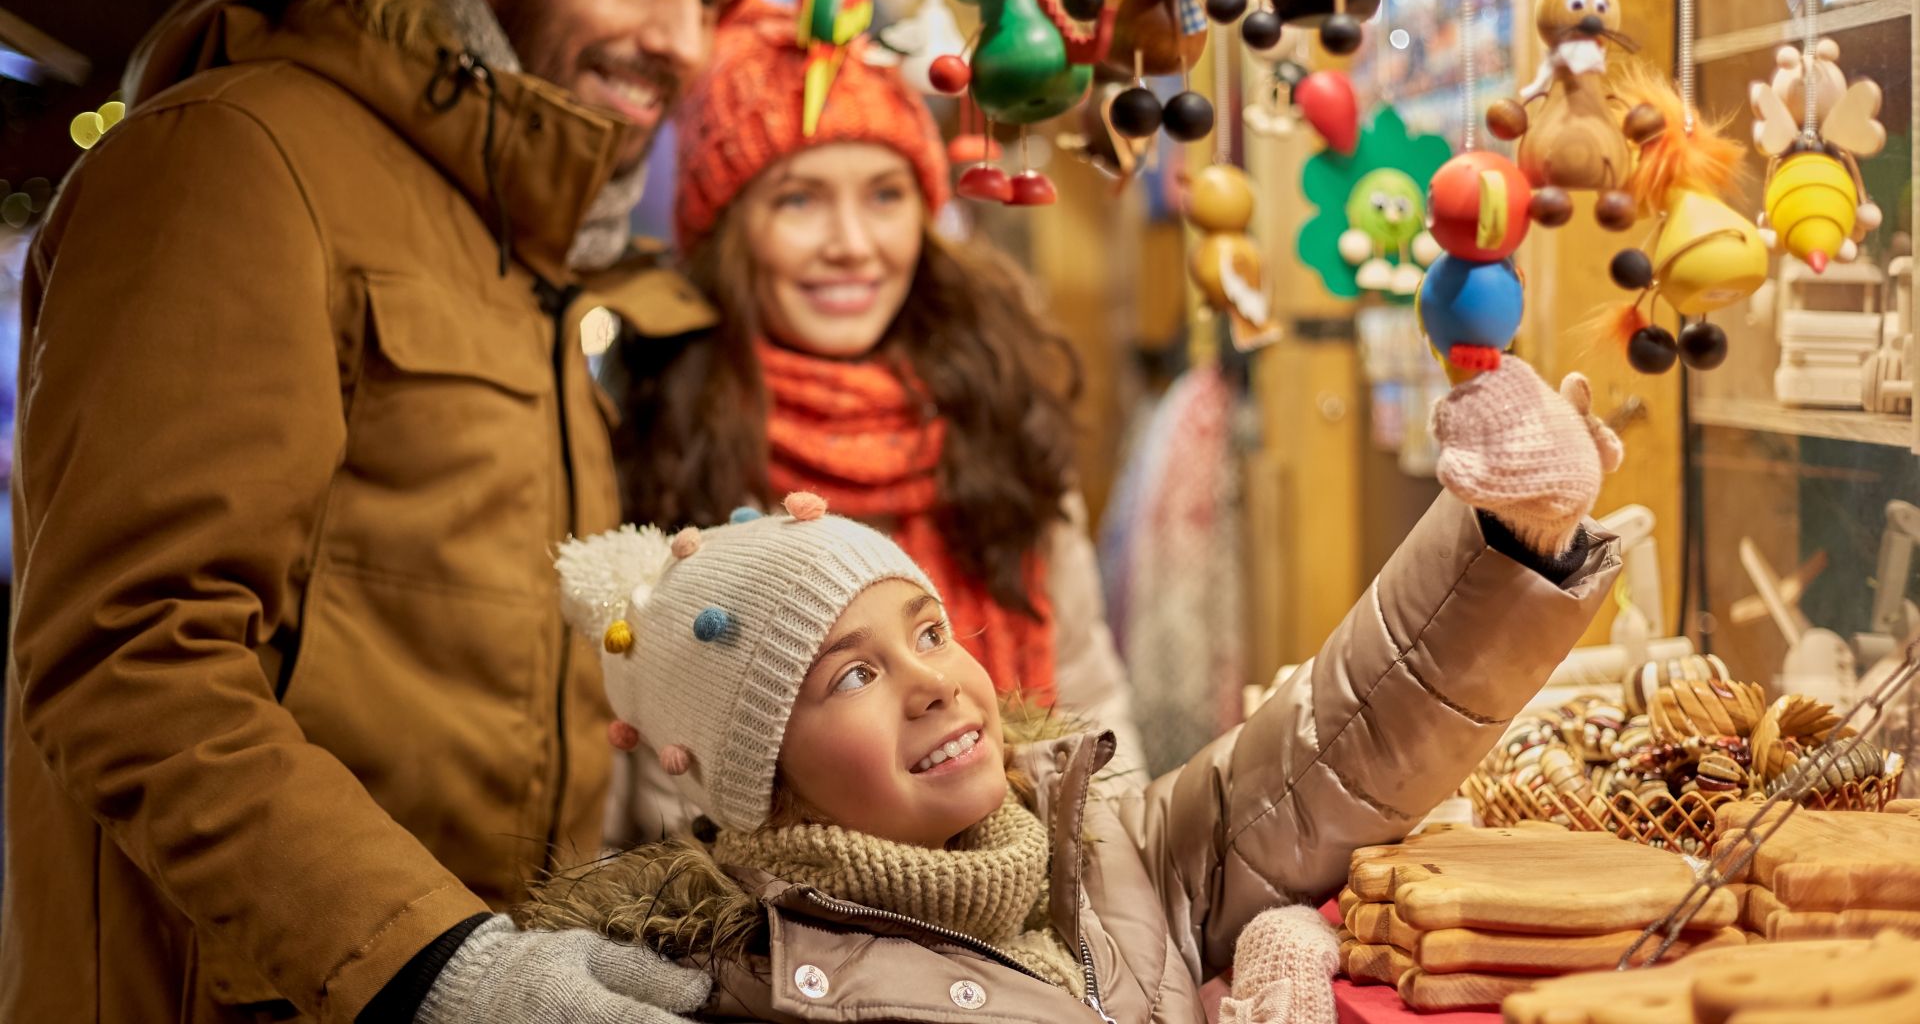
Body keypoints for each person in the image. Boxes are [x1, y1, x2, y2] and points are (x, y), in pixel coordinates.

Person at [2, 0, 756, 1019]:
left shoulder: (518, 240)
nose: (684, 40)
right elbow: (130, 648)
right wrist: (438, 963)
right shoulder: (236, 153)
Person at [534, 443, 1621, 1020]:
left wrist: (1504, 543)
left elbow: (1326, 751)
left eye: (929, 630)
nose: (931, 683)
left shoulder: (1105, 852)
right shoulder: (787, 998)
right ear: (763, 783)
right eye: (853, 675)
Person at [603, 0, 1144, 838]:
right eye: (799, 201)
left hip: (1035, 888)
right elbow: (654, 794)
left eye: (886, 195)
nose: (853, 243)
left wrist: (1110, 895)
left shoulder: (992, 402)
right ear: (725, 228)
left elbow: (1087, 696)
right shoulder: (663, 436)